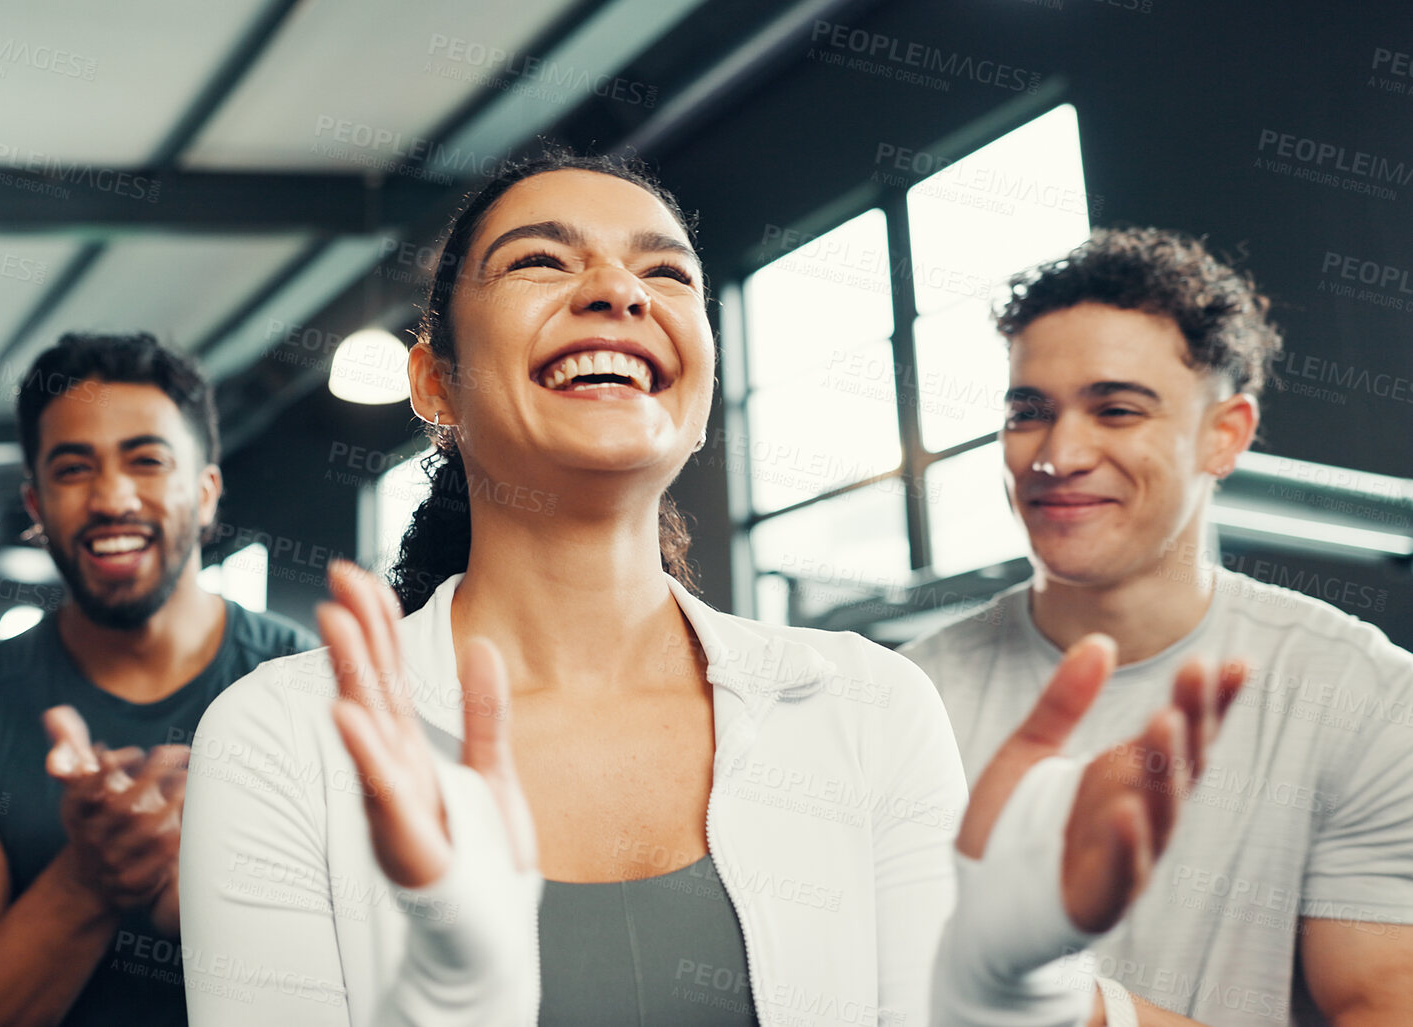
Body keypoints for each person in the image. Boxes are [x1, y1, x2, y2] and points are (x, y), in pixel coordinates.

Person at [179, 152, 1240, 1027]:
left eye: (667, 273)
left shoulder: (868, 709)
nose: (617, 291)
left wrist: (1018, 985)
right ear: (435, 381)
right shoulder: (285, 736)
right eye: (541, 262)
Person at [902, 228, 1413, 1026]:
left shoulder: (1370, 697)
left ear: (1225, 434)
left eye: (1115, 409)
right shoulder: (901, 699)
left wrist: (1064, 1005)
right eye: (1028, 412)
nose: (1058, 454)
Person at [0, 333, 315, 1027]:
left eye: (147, 461)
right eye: (73, 469)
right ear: (37, 508)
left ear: (205, 494)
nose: (111, 497)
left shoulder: (310, 691)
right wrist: (88, 879)